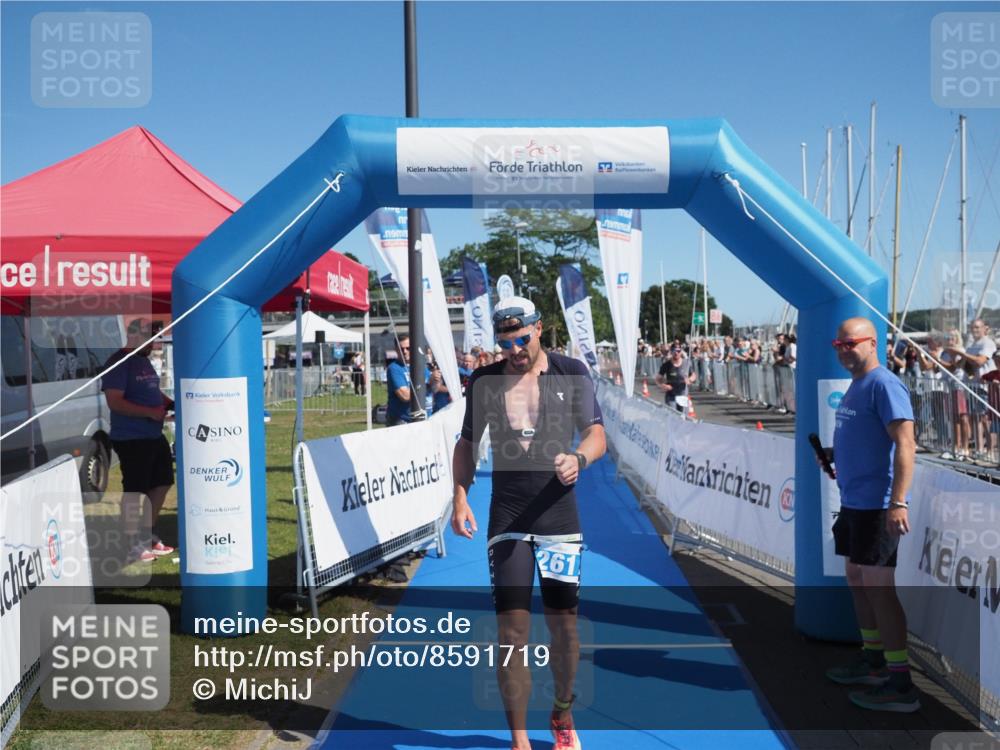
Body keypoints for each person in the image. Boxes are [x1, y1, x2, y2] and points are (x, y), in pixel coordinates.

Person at [451, 296, 606, 750]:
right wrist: (459, 496)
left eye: (521, 339)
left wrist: (579, 458)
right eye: (505, 343)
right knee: (512, 632)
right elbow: (466, 443)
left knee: (565, 628)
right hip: (509, 519)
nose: (514, 350)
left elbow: (597, 434)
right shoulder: (484, 380)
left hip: (559, 518)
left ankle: (561, 711)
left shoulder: (571, 372)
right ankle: (519, 741)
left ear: (540, 329)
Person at [820, 317, 918, 712]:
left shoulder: (884, 383)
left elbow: (907, 444)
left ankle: (900, 683)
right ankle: (874, 660)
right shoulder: (858, 385)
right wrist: (834, 455)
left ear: (873, 342)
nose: (844, 350)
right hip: (855, 501)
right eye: (838, 344)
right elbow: (865, 438)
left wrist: (898, 502)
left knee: (879, 588)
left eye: (851, 343)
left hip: (878, 505)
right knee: (857, 579)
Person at [101, 318, 176, 563]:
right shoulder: (118, 363)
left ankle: (148, 536)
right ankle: (131, 544)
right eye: (151, 338)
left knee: (163, 483)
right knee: (136, 491)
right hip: (131, 438)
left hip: (154, 435)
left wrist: (169, 404)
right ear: (135, 337)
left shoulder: (142, 360)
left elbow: (152, 391)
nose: (154, 344)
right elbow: (115, 401)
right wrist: (150, 412)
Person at [385, 336, 431, 426]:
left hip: (424, 419)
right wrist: (428, 385)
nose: (405, 351)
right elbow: (405, 396)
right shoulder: (394, 368)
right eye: (401, 349)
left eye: (408, 348)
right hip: (402, 422)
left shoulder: (422, 366)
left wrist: (436, 380)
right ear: (396, 349)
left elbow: (435, 389)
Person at [656, 346, 697, 413]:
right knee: (673, 415)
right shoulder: (666, 365)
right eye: (674, 351)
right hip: (671, 395)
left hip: (683, 394)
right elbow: (658, 378)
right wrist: (662, 385)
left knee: (683, 416)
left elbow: (693, 375)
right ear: (671, 352)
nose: (676, 353)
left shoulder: (687, 363)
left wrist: (689, 379)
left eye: (678, 351)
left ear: (681, 352)